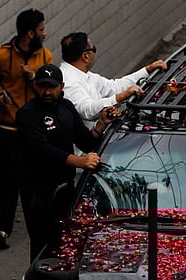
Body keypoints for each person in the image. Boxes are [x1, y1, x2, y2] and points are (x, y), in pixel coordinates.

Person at [16, 64, 121, 262]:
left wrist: (101, 124)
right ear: (36, 87)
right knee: (42, 243)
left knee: (67, 238)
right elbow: (43, 150)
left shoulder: (66, 107)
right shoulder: (27, 114)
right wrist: (79, 161)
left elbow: (85, 141)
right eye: (43, 87)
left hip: (65, 187)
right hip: (38, 191)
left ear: (61, 86)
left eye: (52, 87)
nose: (48, 92)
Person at [0, 8, 53, 249]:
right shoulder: (2, 56)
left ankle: (35, 228)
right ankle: (2, 229)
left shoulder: (45, 56)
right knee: (5, 179)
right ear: (30, 33)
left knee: (31, 181)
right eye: (41, 30)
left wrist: (33, 76)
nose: (45, 33)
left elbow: (48, 91)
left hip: (33, 129)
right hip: (10, 126)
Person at [59, 32, 167, 127]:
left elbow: (114, 87)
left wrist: (147, 70)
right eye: (94, 49)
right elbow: (87, 110)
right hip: (83, 149)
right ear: (86, 56)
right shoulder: (68, 81)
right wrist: (121, 97)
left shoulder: (86, 75)